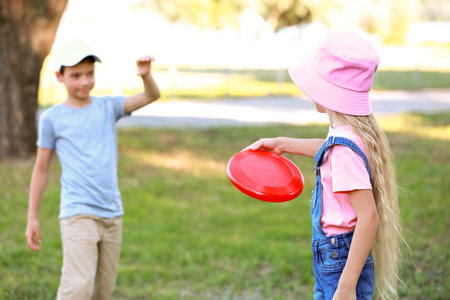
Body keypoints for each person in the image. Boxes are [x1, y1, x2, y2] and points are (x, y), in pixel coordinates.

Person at [244, 31, 402, 300]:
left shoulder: (344, 147)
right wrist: (282, 144)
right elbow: (328, 150)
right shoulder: (350, 134)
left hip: (339, 260)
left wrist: (346, 286)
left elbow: (369, 218)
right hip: (337, 254)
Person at [25, 38, 161, 300]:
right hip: (78, 213)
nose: (84, 82)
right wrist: (32, 216)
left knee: (102, 292)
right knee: (78, 288)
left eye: (89, 74)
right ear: (60, 77)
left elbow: (151, 96)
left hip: (112, 213)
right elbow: (41, 170)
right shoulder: (52, 119)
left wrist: (146, 76)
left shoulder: (107, 107)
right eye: (75, 75)